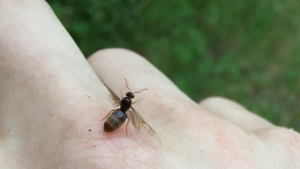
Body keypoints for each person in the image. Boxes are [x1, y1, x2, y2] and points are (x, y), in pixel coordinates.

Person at [0, 1, 299, 168]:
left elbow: (120, 110)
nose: (125, 101)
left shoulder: (121, 106)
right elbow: (126, 112)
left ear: (125, 102)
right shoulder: (127, 108)